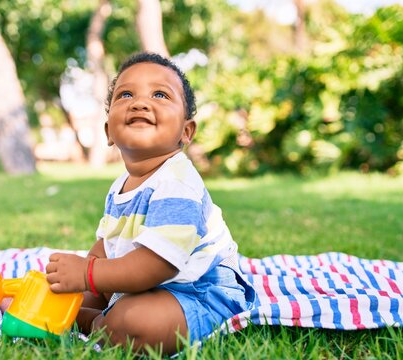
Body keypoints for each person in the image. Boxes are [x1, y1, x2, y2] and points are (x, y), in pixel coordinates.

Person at [45, 52, 257, 355]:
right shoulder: (120, 185)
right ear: (108, 132)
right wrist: (75, 282)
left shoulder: (178, 181)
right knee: (78, 292)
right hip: (145, 284)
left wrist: (86, 274)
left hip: (198, 292)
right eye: (126, 94)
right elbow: (106, 246)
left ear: (186, 131)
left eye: (160, 94)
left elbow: (156, 265)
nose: (140, 102)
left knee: (133, 321)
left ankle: (85, 322)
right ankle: (65, 311)